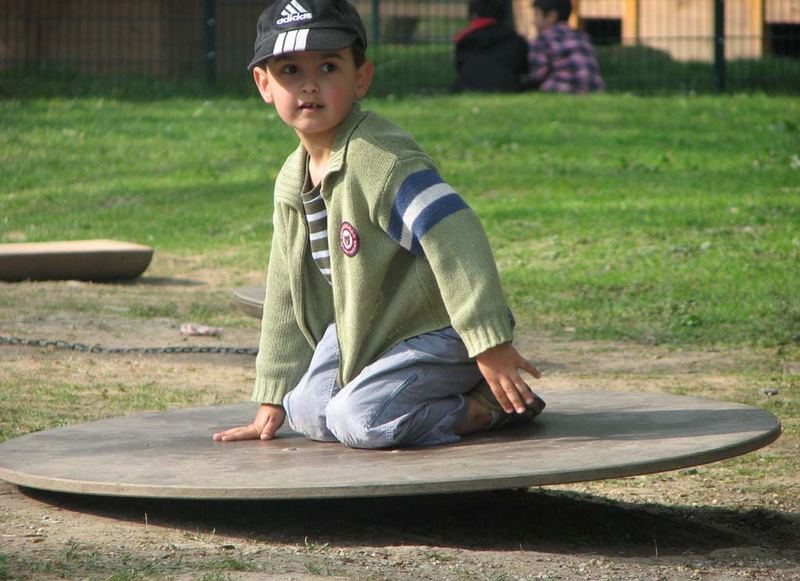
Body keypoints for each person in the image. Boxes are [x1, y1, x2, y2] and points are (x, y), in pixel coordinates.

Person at [213, 0, 545, 449]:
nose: (309, 85)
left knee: (361, 420)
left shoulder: (381, 160)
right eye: (290, 70)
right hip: (368, 329)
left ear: (361, 78)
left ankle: (489, 406)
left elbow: (456, 234)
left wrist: (487, 341)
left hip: (438, 329)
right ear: (264, 84)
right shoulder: (291, 181)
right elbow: (286, 293)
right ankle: (397, 390)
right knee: (305, 410)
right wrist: (273, 397)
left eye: (328, 67)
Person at [527, 0, 604, 93]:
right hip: (593, 90)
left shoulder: (543, 39)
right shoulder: (581, 36)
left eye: (536, 15)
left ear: (551, 16)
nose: (533, 21)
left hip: (559, 89)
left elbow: (536, 75)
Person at [453, 0, 529, 92]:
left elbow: (460, 68)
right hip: (507, 86)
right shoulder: (515, 40)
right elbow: (523, 68)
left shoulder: (464, 41)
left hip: (468, 86)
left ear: (474, 15)